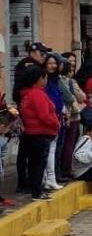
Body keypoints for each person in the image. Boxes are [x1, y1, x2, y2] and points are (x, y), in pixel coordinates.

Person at [12, 41, 49, 192]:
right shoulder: (28, 65)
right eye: (42, 53)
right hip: (27, 109)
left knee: (27, 151)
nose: (44, 57)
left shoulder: (33, 65)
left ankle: (27, 181)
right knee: (28, 152)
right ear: (32, 52)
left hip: (27, 107)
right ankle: (24, 182)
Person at [18, 66, 59, 201]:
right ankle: (37, 192)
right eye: (45, 78)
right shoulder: (37, 94)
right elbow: (44, 115)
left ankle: (36, 190)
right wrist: (56, 123)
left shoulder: (27, 94)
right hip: (40, 134)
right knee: (38, 164)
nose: (46, 80)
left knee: (34, 164)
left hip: (32, 133)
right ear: (39, 79)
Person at [60, 51, 85, 178]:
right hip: (71, 116)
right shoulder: (69, 81)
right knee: (69, 143)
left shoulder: (64, 80)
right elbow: (81, 97)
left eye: (74, 61)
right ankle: (66, 169)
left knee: (67, 143)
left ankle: (65, 169)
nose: (73, 64)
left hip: (69, 115)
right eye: (70, 61)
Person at [43, 54, 65, 192]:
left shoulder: (56, 79)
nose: (53, 66)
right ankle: (49, 178)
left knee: (53, 149)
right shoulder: (44, 81)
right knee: (49, 150)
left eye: (54, 63)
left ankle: (50, 178)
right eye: (49, 63)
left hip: (57, 117)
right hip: (49, 118)